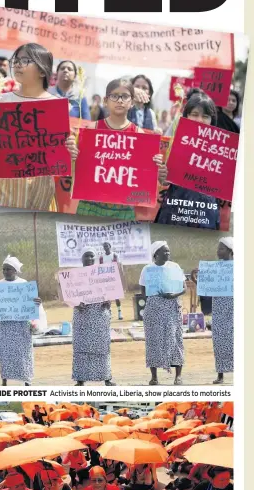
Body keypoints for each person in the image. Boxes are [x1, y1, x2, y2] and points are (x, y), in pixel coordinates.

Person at [0, 42, 77, 211]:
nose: (18, 64)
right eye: (16, 60)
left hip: (40, 187)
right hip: (2, 186)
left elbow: (62, 153)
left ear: (43, 70)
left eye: (26, 60)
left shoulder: (58, 107)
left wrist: (70, 149)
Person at [75, 78, 167, 219]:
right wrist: (73, 153)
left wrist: (154, 166)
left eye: (124, 97)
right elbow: (78, 168)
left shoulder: (139, 134)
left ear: (131, 103)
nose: (119, 100)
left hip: (123, 210)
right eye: (114, 96)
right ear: (105, 101)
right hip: (90, 206)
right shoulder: (91, 130)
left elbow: (144, 175)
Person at [155, 94, 221, 229]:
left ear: (211, 120)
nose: (200, 120)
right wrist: (162, 176)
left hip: (205, 211)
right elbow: (165, 180)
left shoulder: (220, 148)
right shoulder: (175, 141)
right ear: (186, 116)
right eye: (195, 114)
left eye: (205, 116)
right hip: (176, 208)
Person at [0, 255, 41, 386]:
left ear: (16, 270)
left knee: (23, 354)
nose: (6, 272)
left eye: (9, 269)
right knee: (5, 354)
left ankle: (26, 380)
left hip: (21, 326)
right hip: (4, 327)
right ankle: (4, 380)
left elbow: (31, 305)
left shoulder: (24, 285)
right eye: (4, 269)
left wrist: (37, 302)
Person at [139, 241, 187, 385]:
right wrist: (155, 299)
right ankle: (154, 377)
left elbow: (184, 288)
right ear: (156, 254)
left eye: (168, 251)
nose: (168, 254)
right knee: (153, 341)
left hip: (172, 307)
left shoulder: (175, 267)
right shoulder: (147, 269)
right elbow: (143, 291)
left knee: (175, 339)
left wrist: (174, 295)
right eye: (164, 251)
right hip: (154, 309)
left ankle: (178, 376)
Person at [69, 247, 116, 386]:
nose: (89, 259)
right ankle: (80, 380)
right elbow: (68, 296)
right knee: (81, 346)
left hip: (99, 315)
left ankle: (107, 378)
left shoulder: (102, 274)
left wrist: (108, 301)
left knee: (102, 346)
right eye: (86, 256)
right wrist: (75, 304)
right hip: (82, 315)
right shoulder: (74, 276)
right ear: (81, 258)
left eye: (92, 256)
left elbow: (110, 292)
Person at [191, 238, 234, 384]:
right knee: (219, 341)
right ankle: (220, 375)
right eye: (218, 248)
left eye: (221, 248)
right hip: (219, 309)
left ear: (230, 251)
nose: (218, 251)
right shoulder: (215, 268)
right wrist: (195, 278)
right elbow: (206, 288)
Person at [100, 242, 123, 320]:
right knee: (107, 297)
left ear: (110, 246)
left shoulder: (114, 255)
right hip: (105, 280)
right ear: (103, 248)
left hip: (114, 278)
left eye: (107, 246)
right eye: (104, 246)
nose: (106, 247)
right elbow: (100, 268)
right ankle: (109, 313)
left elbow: (118, 266)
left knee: (117, 296)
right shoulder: (101, 257)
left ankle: (120, 313)